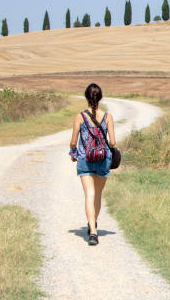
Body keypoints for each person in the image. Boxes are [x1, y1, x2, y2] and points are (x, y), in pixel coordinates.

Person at [69, 83, 116, 246]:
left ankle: (93, 232)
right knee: (97, 195)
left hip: (85, 159)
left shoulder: (80, 117)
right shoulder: (108, 116)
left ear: (86, 97)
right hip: (103, 160)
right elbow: (113, 141)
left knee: (89, 194)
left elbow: (74, 141)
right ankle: (93, 223)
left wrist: (73, 153)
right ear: (100, 97)